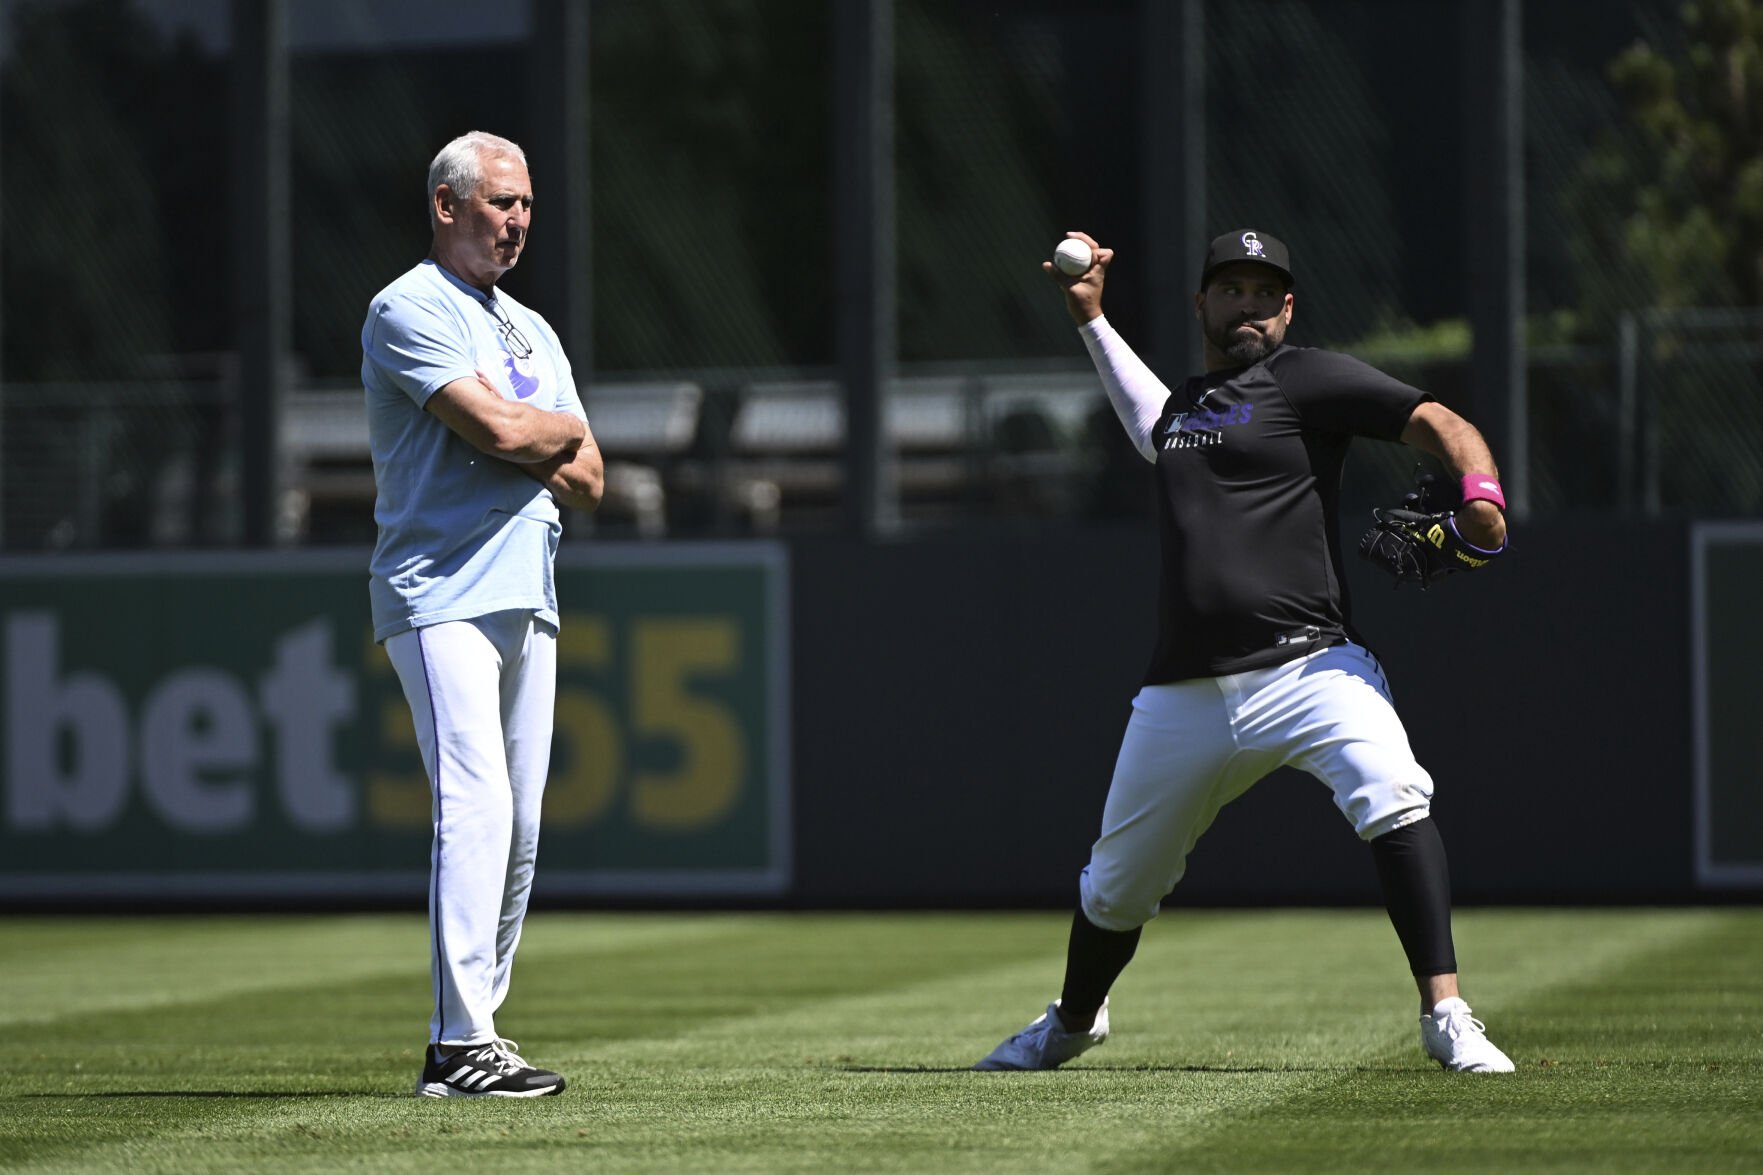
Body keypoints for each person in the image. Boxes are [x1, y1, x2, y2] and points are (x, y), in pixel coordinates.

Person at [974, 229, 1515, 1074]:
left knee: (1393, 793)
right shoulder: (1183, 412)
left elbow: (1440, 420)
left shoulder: (1306, 379)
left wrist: (1481, 494)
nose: (1249, 306)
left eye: (1265, 293)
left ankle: (1445, 1014)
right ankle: (1072, 1022)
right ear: (1202, 304)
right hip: (1185, 690)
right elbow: (1147, 421)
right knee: (1115, 886)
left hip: (1311, 667)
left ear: (1287, 308)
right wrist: (1090, 317)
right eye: (1231, 289)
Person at [362, 130, 604, 1098]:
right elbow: (504, 427)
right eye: (500, 201)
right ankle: (456, 1039)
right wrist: (549, 431)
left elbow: (591, 477)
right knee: (476, 802)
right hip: (438, 590)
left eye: (526, 205)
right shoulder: (406, 306)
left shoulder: (529, 329)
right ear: (446, 205)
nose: (517, 221)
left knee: (524, 824)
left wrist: (536, 437)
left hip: (526, 590)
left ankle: (480, 1033)